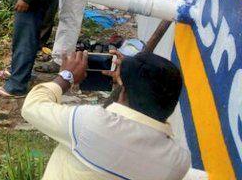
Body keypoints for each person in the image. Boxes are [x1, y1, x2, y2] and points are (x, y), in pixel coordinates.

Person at [22, 50, 192, 179]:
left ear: (123, 92)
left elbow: (33, 106)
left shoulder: (91, 123)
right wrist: (131, 83)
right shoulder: (177, 162)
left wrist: (67, 76)